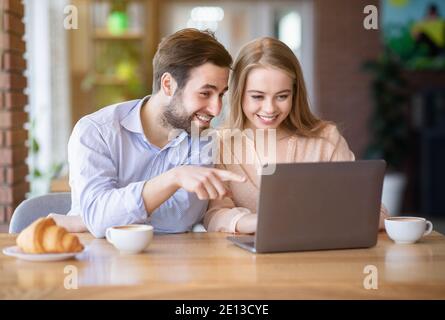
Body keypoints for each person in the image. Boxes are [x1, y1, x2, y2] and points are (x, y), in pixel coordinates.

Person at [52, 28, 245, 238]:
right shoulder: (96, 132)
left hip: (174, 263)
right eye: (205, 93)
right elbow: (99, 220)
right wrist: (174, 178)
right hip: (100, 262)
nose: (216, 109)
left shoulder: (202, 139)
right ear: (168, 84)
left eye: (221, 95)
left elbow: (180, 220)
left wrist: (90, 220)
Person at [204, 37, 389, 234]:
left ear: (295, 93)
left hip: (317, 257)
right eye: (257, 96)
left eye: (282, 96)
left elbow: (376, 213)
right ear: (239, 94)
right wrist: (260, 222)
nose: (269, 108)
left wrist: (321, 219)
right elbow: (215, 215)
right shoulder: (221, 144)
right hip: (247, 261)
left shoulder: (325, 139)